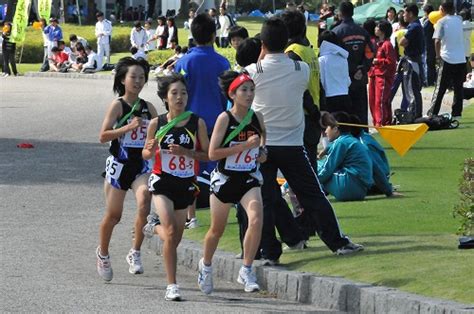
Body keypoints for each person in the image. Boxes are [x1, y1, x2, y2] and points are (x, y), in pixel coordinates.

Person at [246, 17, 363, 265]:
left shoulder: (251, 73)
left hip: (262, 145)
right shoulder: (302, 70)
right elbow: (306, 99)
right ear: (286, 42)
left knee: (266, 198)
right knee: (312, 194)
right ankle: (337, 241)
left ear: (262, 44)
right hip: (292, 143)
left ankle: (269, 252)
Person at [142, 73, 209, 301]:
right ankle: (172, 285)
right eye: (174, 93)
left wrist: (186, 152)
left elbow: (208, 154)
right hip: (162, 181)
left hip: (186, 183)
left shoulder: (196, 122)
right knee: (171, 232)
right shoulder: (156, 123)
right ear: (165, 97)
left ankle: (152, 227)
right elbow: (146, 152)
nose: (180, 97)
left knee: (174, 237)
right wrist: (150, 150)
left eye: (183, 92)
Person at [198, 71, 265, 295]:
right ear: (233, 94)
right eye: (244, 90)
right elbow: (212, 153)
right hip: (225, 179)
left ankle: (246, 269)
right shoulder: (224, 118)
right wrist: (244, 147)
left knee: (256, 218)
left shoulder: (257, 117)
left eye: (252, 90)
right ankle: (205, 265)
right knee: (217, 229)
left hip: (248, 178)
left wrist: (261, 153)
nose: (249, 94)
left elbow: (262, 151)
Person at [96, 57, 158, 282]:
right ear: (123, 79)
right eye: (133, 77)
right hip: (119, 165)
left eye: (142, 77)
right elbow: (102, 136)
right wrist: (127, 127)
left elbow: (159, 132)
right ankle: (103, 253)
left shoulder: (147, 107)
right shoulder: (117, 105)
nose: (138, 81)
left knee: (144, 203)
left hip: (140, 166)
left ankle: (135, 252)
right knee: (114, 215)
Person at [174, 13, 230, 228]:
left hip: (189, 123)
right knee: (218, 170)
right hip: (217, 123)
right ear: (214, 35)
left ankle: (192, 216)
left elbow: (173, 93)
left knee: (190, 169)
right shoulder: (222, 62)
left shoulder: (183, 62)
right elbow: (228, 95)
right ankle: (221, 211)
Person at [332, 1, 374, 127]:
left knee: (346, 117)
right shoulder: (363, 32)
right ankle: (363, 142)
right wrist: (362, 68)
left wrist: (352, 69)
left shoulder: (336, 32)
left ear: (340, 13)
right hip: (360, 80)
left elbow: (335, 57)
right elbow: (370, 53)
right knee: (361, 115)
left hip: (344, 81)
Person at [318, 111, 373, 201]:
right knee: (322, 168)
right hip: (361, 191)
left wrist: (308, 184)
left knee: (315, 165)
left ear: (335, 129)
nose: (325, 131)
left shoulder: (340, 143)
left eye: (327, 127)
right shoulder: (352, 141)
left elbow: (327, 169)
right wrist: (388, 190)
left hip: (347, 187)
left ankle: (297, 189)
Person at [427, 1, 466, 120]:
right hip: (460, 58)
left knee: (440, 88)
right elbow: (458, 15)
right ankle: (457, 114)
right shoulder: (459, 20)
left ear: (442, 9)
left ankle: (433, 113)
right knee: (458, 88)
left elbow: (437, 40)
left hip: (447, 58)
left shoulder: (441, 22)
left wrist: (437, 56)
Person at [368, 20, 397, 127]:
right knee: (373, 100)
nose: (375, 29)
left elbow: (391, 62)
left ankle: (381, 123)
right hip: (375, 74)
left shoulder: (387, 45)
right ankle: (377, 122)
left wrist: (378, 61)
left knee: (380, 101)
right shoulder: (378, 44)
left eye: (378, 27)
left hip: (383, 76)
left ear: (382, 31)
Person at [399, 4, 424, 120]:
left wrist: (405, 41)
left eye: (405, 12)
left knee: (413, 88)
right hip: (414, 59)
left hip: (413, 60)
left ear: (411, 13)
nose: (403, 15)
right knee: (412, 88)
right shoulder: (415, 26)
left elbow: (402, 42)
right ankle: (414, 113)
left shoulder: (414, 27)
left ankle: (416, 114)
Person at [318, 30, 351, 114]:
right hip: (345, 96)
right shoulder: (343, 58)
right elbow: (348, 81)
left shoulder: (322, 60)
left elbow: (321, 81)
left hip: (329, 98)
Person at [422, 5, 436, 86]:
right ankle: (432, 80)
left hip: (428, 45)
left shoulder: (428, 22)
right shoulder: (435, 21)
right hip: (432, 45)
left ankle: (429, 81)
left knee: (428, 64)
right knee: (432, 64)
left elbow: (424, 33)